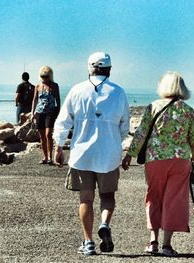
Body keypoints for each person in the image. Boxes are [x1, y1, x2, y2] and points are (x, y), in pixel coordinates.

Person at [53, 52, 130, 256]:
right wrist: (119, 144)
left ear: (89, 68)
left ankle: (88, 242)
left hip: (82, 154)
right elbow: (125, 126)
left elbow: (63, 121)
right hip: (109, 154)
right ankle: (104, 223)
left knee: (85, 199)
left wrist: (58, 147)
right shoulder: (118, 92)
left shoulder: (77, 90)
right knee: (107, 196)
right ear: (110, 69)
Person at [122, 71, 194, 257]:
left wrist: (130, 155)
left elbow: (141, 132)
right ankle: (167, 245)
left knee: (154, 196)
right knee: (174, 199)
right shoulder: (188, 110)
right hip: (180, 160)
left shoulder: (153, 106)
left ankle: (153, 241)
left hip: (155, 159)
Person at [31, 66, 61, 165]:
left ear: (50, 76)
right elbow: (35, 100)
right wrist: (32, 113)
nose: (44, 78)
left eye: (46, 76)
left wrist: (59, 112)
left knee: (48, 134)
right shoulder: (37, 86)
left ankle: (50, 156)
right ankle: (45, 157)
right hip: (40, 112)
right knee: (41, 135)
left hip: (51, 112)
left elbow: (58, 100)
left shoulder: (54, 86)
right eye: (42, 76)